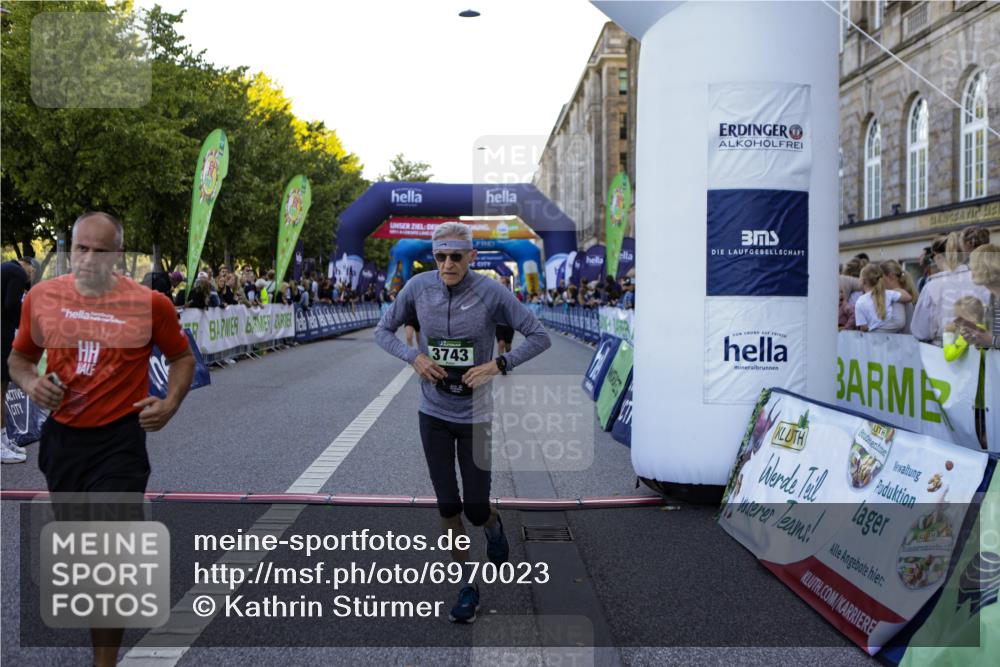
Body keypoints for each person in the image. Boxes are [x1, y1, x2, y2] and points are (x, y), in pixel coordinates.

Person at [6, 212, 195, 667]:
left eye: (100, 250)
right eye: (81, 248)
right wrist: (32, 384)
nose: (88, 258)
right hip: (63, 441)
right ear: (71, 249)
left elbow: (183, 358)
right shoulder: (42, 297)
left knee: (108, 558)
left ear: (119, 256)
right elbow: (19, 359)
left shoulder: (151, 304)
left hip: (119, 441)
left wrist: (169, 403)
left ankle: (104, 662)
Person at [374, 222, 551, 624]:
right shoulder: (418, 288)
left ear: (471, 256)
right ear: (432, 257)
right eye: (440, 257)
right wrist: (413, 357)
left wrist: (497, 364)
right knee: (448, 505)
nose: (448, 264)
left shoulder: (491, 292)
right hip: (433, 413)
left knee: (474, 507)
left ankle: (492, 525)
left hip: (476, 416)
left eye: (456, 256)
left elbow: (539, 336)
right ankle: (467, 585)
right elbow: (382, 331)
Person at [911, 235, 990, 345]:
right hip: (980, 350)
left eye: (932, 257)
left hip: (943, 352)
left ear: (938, 256)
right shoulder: (982, 281)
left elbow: (921, 332)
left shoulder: (932, 286)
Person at [2, 258, 34, 463]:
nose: (30, 277)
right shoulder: (18, 272)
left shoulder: (6, 269)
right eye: (32, 272)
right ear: (27, 264)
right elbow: (11, 304)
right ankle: (1, 445)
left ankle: (4, 439)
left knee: (2, 389)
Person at [854, 264, 912, 332]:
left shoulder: (860, 301)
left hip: (874, 335)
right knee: (900, 301)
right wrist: (895, 291)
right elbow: (908, 298)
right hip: (891, 330)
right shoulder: (888, 293)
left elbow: (864, 327)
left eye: (859, 277)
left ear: (863, 281)